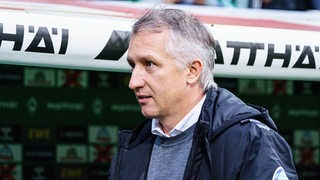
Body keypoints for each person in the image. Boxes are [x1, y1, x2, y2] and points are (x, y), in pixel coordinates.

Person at [108, 8, 298, 179]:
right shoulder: (132, 145)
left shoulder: (250, 141)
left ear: (192, 71)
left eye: (149, 64)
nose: (134, 82)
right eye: (133, 65)